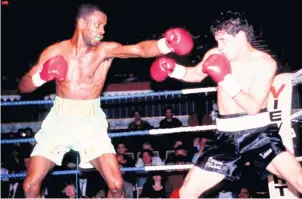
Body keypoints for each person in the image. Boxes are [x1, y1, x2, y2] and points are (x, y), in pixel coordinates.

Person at [18, 4, 193, 198]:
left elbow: (139, 50)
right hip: (59, 120)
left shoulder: (105, 51)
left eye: (104, 26)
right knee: (30, 186)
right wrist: (42, 76)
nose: (102, 31)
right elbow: (24, 87)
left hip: (90, 122)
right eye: (98, 25)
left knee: (117, 186)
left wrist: (165, 45)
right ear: (82, 23)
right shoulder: (55, 51)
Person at [150, 11, 302, 198]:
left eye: (223, 40)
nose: (219, 46)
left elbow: (252, 107)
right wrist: (174, 70)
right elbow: (196, 74)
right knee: (187, 192)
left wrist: (225, 79)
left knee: (299, 180)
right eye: (217, 41)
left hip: (259, 135)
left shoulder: (264, 63)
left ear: (240, 36)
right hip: (225, 139)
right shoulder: (216, 53)